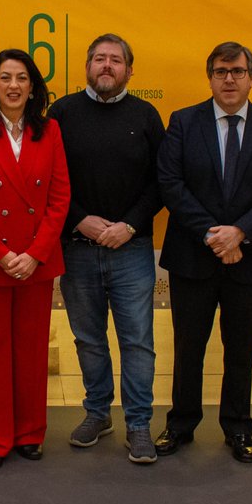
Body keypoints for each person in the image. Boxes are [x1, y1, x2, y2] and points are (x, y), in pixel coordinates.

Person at [154, 42, 252, 463]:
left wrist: (240, 233)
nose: (228, 79)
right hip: (193, 258)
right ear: (209, 77)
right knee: (189, 347)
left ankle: (237, 428)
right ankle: (180, 424)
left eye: (236, 71)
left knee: (241, 351)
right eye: (220, 71)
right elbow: (170, 183)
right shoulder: (183, 122)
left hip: (248, 259)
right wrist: (215, 236)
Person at [48, 33, 164, 464]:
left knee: (137, 342)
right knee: (89, 340)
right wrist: (81, 219)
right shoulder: (61, 114)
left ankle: (138, 424)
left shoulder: (147, 115)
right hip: (77, 247)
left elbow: (162, 182)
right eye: (99, 58)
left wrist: (129, 225)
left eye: (116, 60)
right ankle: (97, 413)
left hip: (132, 249)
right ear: (87, 67)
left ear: (130, 70)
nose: (107, 66)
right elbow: (50, 179)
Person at [0, 48, 70, 470]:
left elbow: (60, 198)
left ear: (34, 86)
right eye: (5, 78)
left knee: (31, 351)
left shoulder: (50, 131)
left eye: (22, 78)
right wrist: (1, 254)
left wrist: (35, 254)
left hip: (35, 264)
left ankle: (28, 433)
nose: (14, 86)